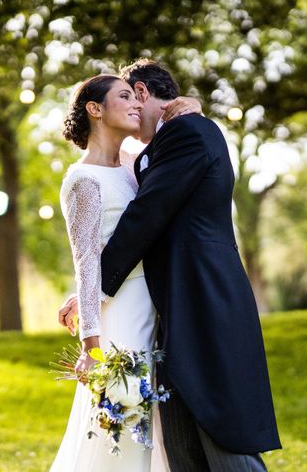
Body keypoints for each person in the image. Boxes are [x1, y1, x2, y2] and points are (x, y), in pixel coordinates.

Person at [58, 59, 282, 471]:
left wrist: (97, 289)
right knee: (166, 426)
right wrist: (89, 299)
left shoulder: (187, 133)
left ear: (143, 94)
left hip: (200, 294)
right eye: (119, 98)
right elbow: (100, 242)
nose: (128, 106)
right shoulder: (141, 154)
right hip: (157, 305)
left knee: (217, 426)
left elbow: (146, 216)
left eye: (130, 95)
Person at [49, 73, 202, 472]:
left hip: (155, 308)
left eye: (137, 97)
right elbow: (85, 261)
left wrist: (193, 107)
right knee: (123, 431)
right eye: (124, 96)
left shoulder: (136, 166)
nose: (136, 103)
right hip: (121, 321)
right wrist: (90, 348)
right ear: (95, 110)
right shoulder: (82, 181)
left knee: (158, 430)